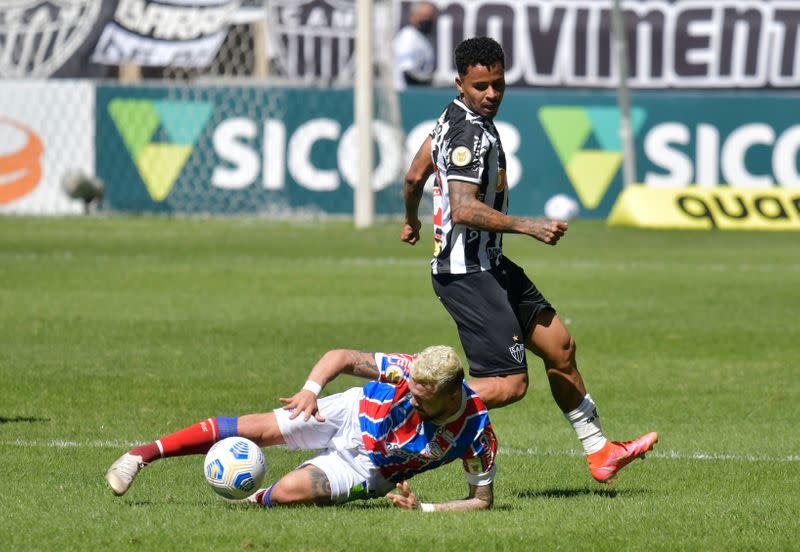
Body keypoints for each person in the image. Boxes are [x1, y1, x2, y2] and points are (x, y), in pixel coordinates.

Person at [400, 37, 657, 484]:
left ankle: (599, 452)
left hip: (491, 265)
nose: (492, 94)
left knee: (560, 347)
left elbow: (413, 174)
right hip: (466, 273)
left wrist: (411, 222)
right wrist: (529, 226)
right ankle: (401, 412)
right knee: (509, 385)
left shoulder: (453, 116)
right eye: (481, 86)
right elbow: (463, 208)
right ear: (461, 82)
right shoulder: (467, 131)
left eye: (498, 84)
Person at [105, 346, 496, 511]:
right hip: (350, 412)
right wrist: (311, 391)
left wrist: (425, 508)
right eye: (410, 391)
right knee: (256, 430)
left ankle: (253, 498)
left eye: (422, 399)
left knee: (290, 492)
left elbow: (480, 500)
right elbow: (341, 358)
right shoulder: (407, 369)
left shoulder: (476, 431)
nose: (411, 399)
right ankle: (140, 455)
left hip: (370, 470)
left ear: (449, 396)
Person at [393, 2, 437, 90]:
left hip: (415, 93)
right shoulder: (408, 36)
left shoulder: (425, 39)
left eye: (430, 17)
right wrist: (431, 82)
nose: (426, 19)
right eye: (422, 16)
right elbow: (408, 73)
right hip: (404, 93)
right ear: (412, 17)